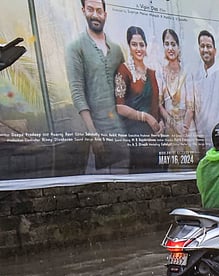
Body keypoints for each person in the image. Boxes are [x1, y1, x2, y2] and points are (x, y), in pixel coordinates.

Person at [65, 0, 129, 170]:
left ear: (105, 15)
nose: (95, 14)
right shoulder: (75, 47)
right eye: (90, 10)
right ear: (83, 11)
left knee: (129, 187)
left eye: (99, 11)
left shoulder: (116, 50)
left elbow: (125, 90)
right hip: (98, 137)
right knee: (102, 187)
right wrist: (93, 135)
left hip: (122, 134)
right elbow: (77, 93)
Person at [114, 25, 163, 171]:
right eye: (134, 44)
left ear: (146, 46)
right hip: (137, 137)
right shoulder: (124, 71)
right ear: (129, 46)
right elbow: (119, 107)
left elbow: (156, 103)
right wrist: (145, 117)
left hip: (156, 137)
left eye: (142, 44)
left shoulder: (152, 73)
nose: (138, 48)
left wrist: (161, 123)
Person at [157, 28, 196, 165]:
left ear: (179, 47)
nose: (170, 48)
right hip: (170, 128)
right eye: (167, 44)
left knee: (191, 166)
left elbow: (191, 106)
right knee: (175, 166)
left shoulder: (186, 72)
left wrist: (184, 130)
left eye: (173, 44)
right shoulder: (160, 73)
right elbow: (159, 104)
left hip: (187, 128)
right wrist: (174, 125)